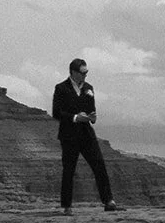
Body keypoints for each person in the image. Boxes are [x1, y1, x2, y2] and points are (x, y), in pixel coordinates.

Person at [52, 58, 122, 214]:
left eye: (86, 73)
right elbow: (57, 113)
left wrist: (92, 117)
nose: (85, 76)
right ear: (74, 72)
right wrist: (76, 117)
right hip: (69, 134)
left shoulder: (89, 88)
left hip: (86, 133)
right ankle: (67, 206)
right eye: (83, 73)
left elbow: (91, 108)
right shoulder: (61, 88)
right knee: (69, 169)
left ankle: (109, 200)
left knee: (99, 165)